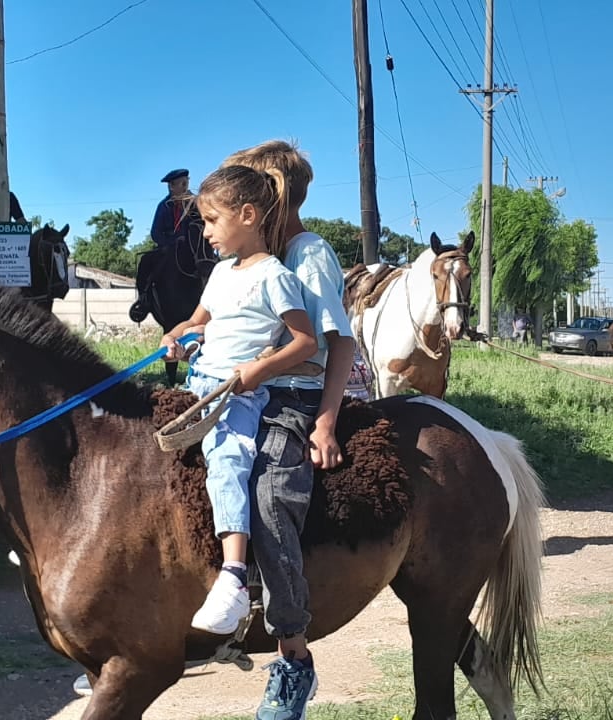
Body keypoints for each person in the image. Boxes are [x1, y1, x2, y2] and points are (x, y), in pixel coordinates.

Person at [223, 139, 355, 720]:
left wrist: (325, 421)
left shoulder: (309, 254)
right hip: (246, 390)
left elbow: (339, 343)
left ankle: (292, 656)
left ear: (266, 199)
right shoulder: (252, 262)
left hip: (297, 400)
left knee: (272, 494)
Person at [160, 165, 320, 636]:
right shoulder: (219, 274)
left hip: (236, 394)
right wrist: (177, 336)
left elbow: (306, 343)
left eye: (212, 220)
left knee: (230, 458)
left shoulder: (275, 277)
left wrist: (258, 371)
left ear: (247, 215)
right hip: (197, 382)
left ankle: (232, 577)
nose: (205, 231)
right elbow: (197, 324)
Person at [151, 168, 205, 251]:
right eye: (183, 184)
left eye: (186, 184)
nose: (185, 188)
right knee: (147, 261)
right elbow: (155, 233)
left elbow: (204, 224)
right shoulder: (163, 206)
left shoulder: (195, 203)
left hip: (194, 247)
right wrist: (172, 241)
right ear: (171, 186)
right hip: (169, 249)